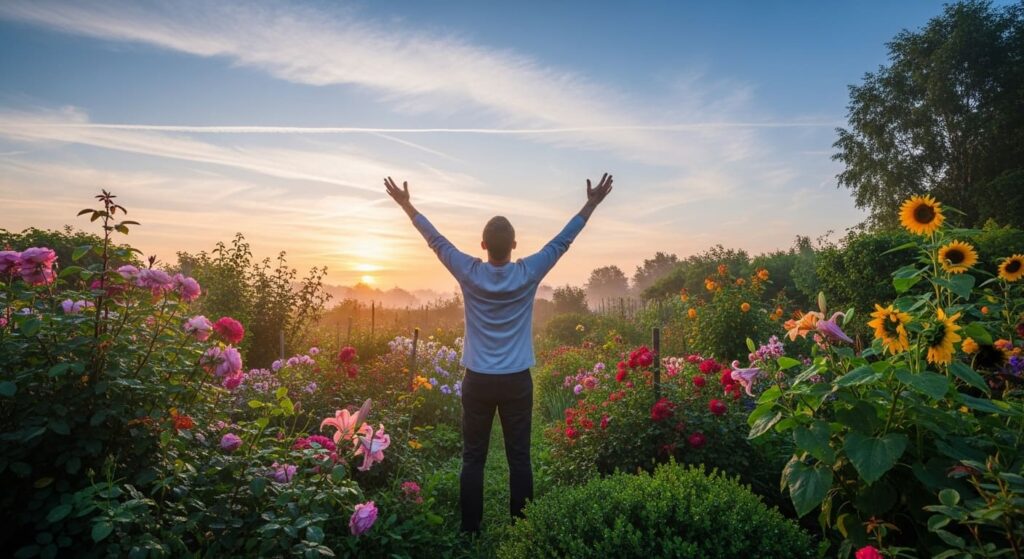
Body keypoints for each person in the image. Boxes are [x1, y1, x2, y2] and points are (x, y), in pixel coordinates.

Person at [385, 173, 613, 533]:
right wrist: (591, 203)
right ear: (515, 245)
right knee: (519, 458)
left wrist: (406, 205)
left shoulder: (469, 271)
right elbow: (562, 242)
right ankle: (521, 527)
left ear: (482, 245)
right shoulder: (528, 272)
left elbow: (436, 241)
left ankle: (470, 529)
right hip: (516, 381)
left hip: (477, 379)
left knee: (473, 457)